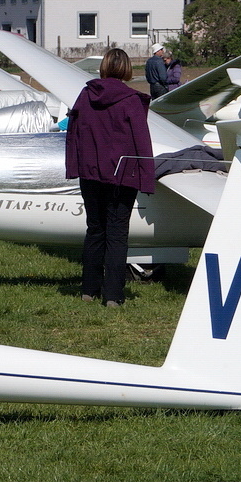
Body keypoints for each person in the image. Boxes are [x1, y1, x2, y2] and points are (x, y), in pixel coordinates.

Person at [65, 48, 155, 307]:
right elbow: (142, 141)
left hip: (90, 174)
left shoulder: (85, 95)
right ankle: (113, 295)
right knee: (116, 234)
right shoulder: (131, 100)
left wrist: (75, 166)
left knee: (95, 229)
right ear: (127, 69)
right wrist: (146, 178)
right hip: (121, 175)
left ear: (103, 67)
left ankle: (88, 289)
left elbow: (74, 134)